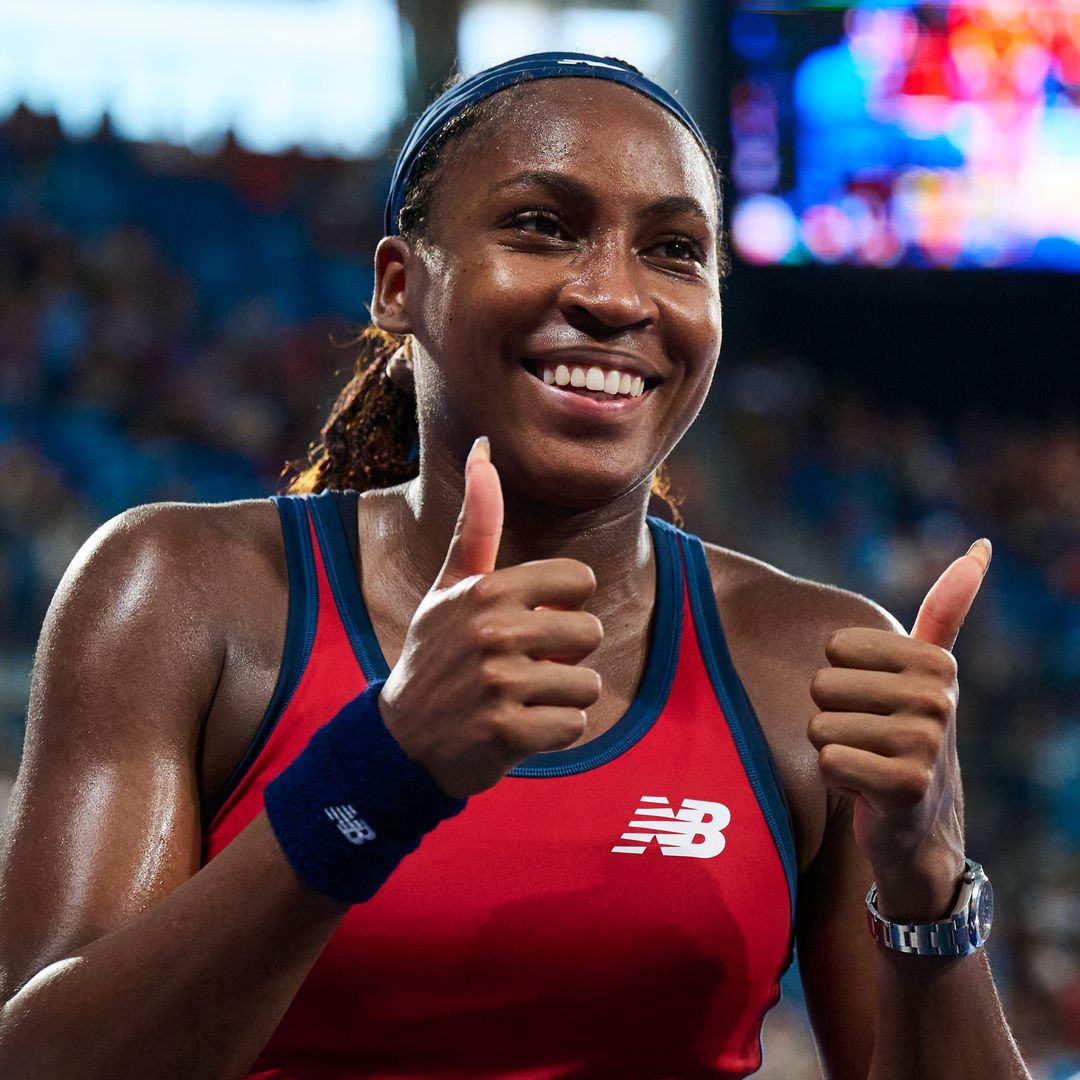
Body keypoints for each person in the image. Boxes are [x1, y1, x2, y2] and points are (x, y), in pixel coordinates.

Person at [0, 52, 1030, 1080]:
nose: (614, 295)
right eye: (541, 224)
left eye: (674, 249)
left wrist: (930, 886)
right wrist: (379, 772)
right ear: (400, 285)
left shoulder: (812, 662)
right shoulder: (176, 593)